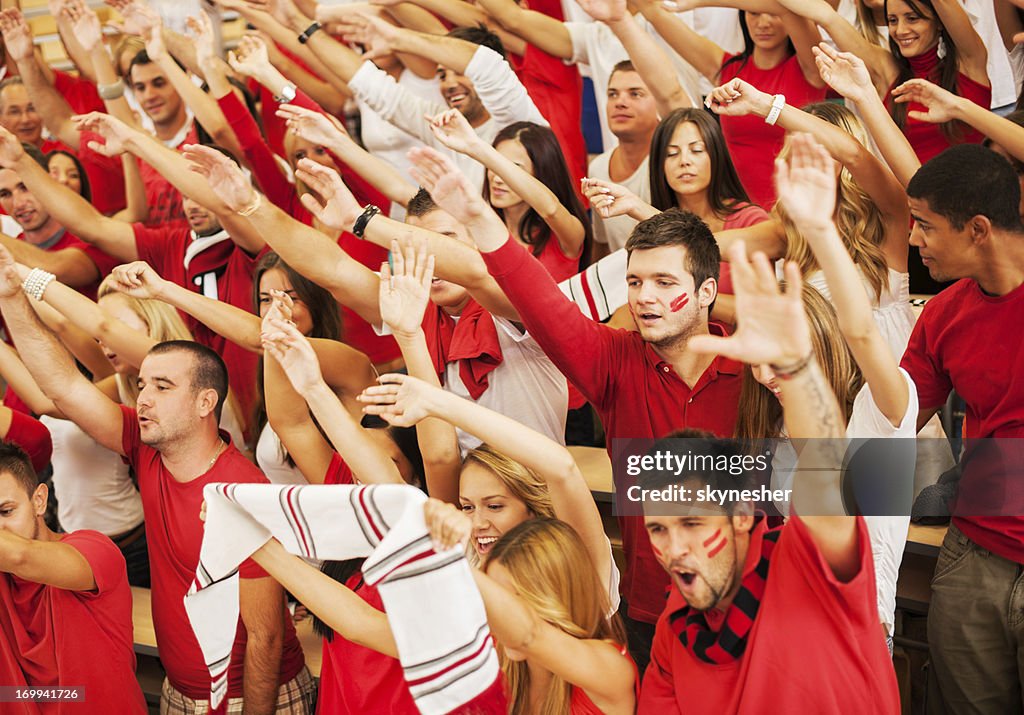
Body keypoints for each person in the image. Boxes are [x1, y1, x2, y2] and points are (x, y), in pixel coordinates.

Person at [405, 145, 743, 670]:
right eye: (634, 282)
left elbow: (844, 480)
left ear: (706, 292)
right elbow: (540, 302)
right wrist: (474, 215)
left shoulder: (757, 371)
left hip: (752, 605)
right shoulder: (613, 360)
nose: (645, 298)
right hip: (653, 614)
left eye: (664, 283)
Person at [0, 245, 313, 712]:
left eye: (162, 387)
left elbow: (265, 636)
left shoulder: (241, 490)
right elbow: (64, 388)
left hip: (248, 697)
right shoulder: (145, 447)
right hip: (180, 691)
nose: (143, 398)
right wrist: (11, 296)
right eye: (143, 384)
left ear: (206, 404)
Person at [636, 232, 900, 712]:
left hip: (851, 615)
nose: (674, 549)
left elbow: (825, 476)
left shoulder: (803, 565)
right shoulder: (673, 625)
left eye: (692, 523)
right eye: (658, 528)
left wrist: (796, 368)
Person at [897, 144, 1024, 713]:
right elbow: (892, 421)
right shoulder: (942, 314)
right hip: (973, 555)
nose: (915, 240)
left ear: (977, 229)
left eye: (925, 225)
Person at [424, 506, 638, 715]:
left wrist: (451, 555)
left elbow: (530, 634)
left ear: (559, 596)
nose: (501, 617)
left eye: (515, 600)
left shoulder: (610, 669)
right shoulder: (497, 652)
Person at [0, 441, 147, 713]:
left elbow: (21, 556)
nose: (2, 528)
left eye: (6, 511)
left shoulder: (95, 550)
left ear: (39, 501)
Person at [635, 0, 827, 206]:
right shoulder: (729, 69)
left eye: (772, 14)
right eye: (753, 13)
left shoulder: (811, 69)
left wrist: (698, 2)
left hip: (798, 209)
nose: (763, 23)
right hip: (737, 212)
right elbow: (653, 12)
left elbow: (790, 8)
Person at [428, 111, 589, 281]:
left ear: (542, 175)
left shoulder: (567, 235)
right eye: (495, 165)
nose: (497, 178)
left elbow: (551, 210)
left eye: (514, 168)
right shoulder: (479, 231)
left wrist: (475, 147)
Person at [586, 61, 660, 259]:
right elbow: (601, 246)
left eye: (635, 94)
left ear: (660, 103)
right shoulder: (598, 167)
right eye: (613, 94)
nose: (620, 102)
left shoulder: (673, 165)